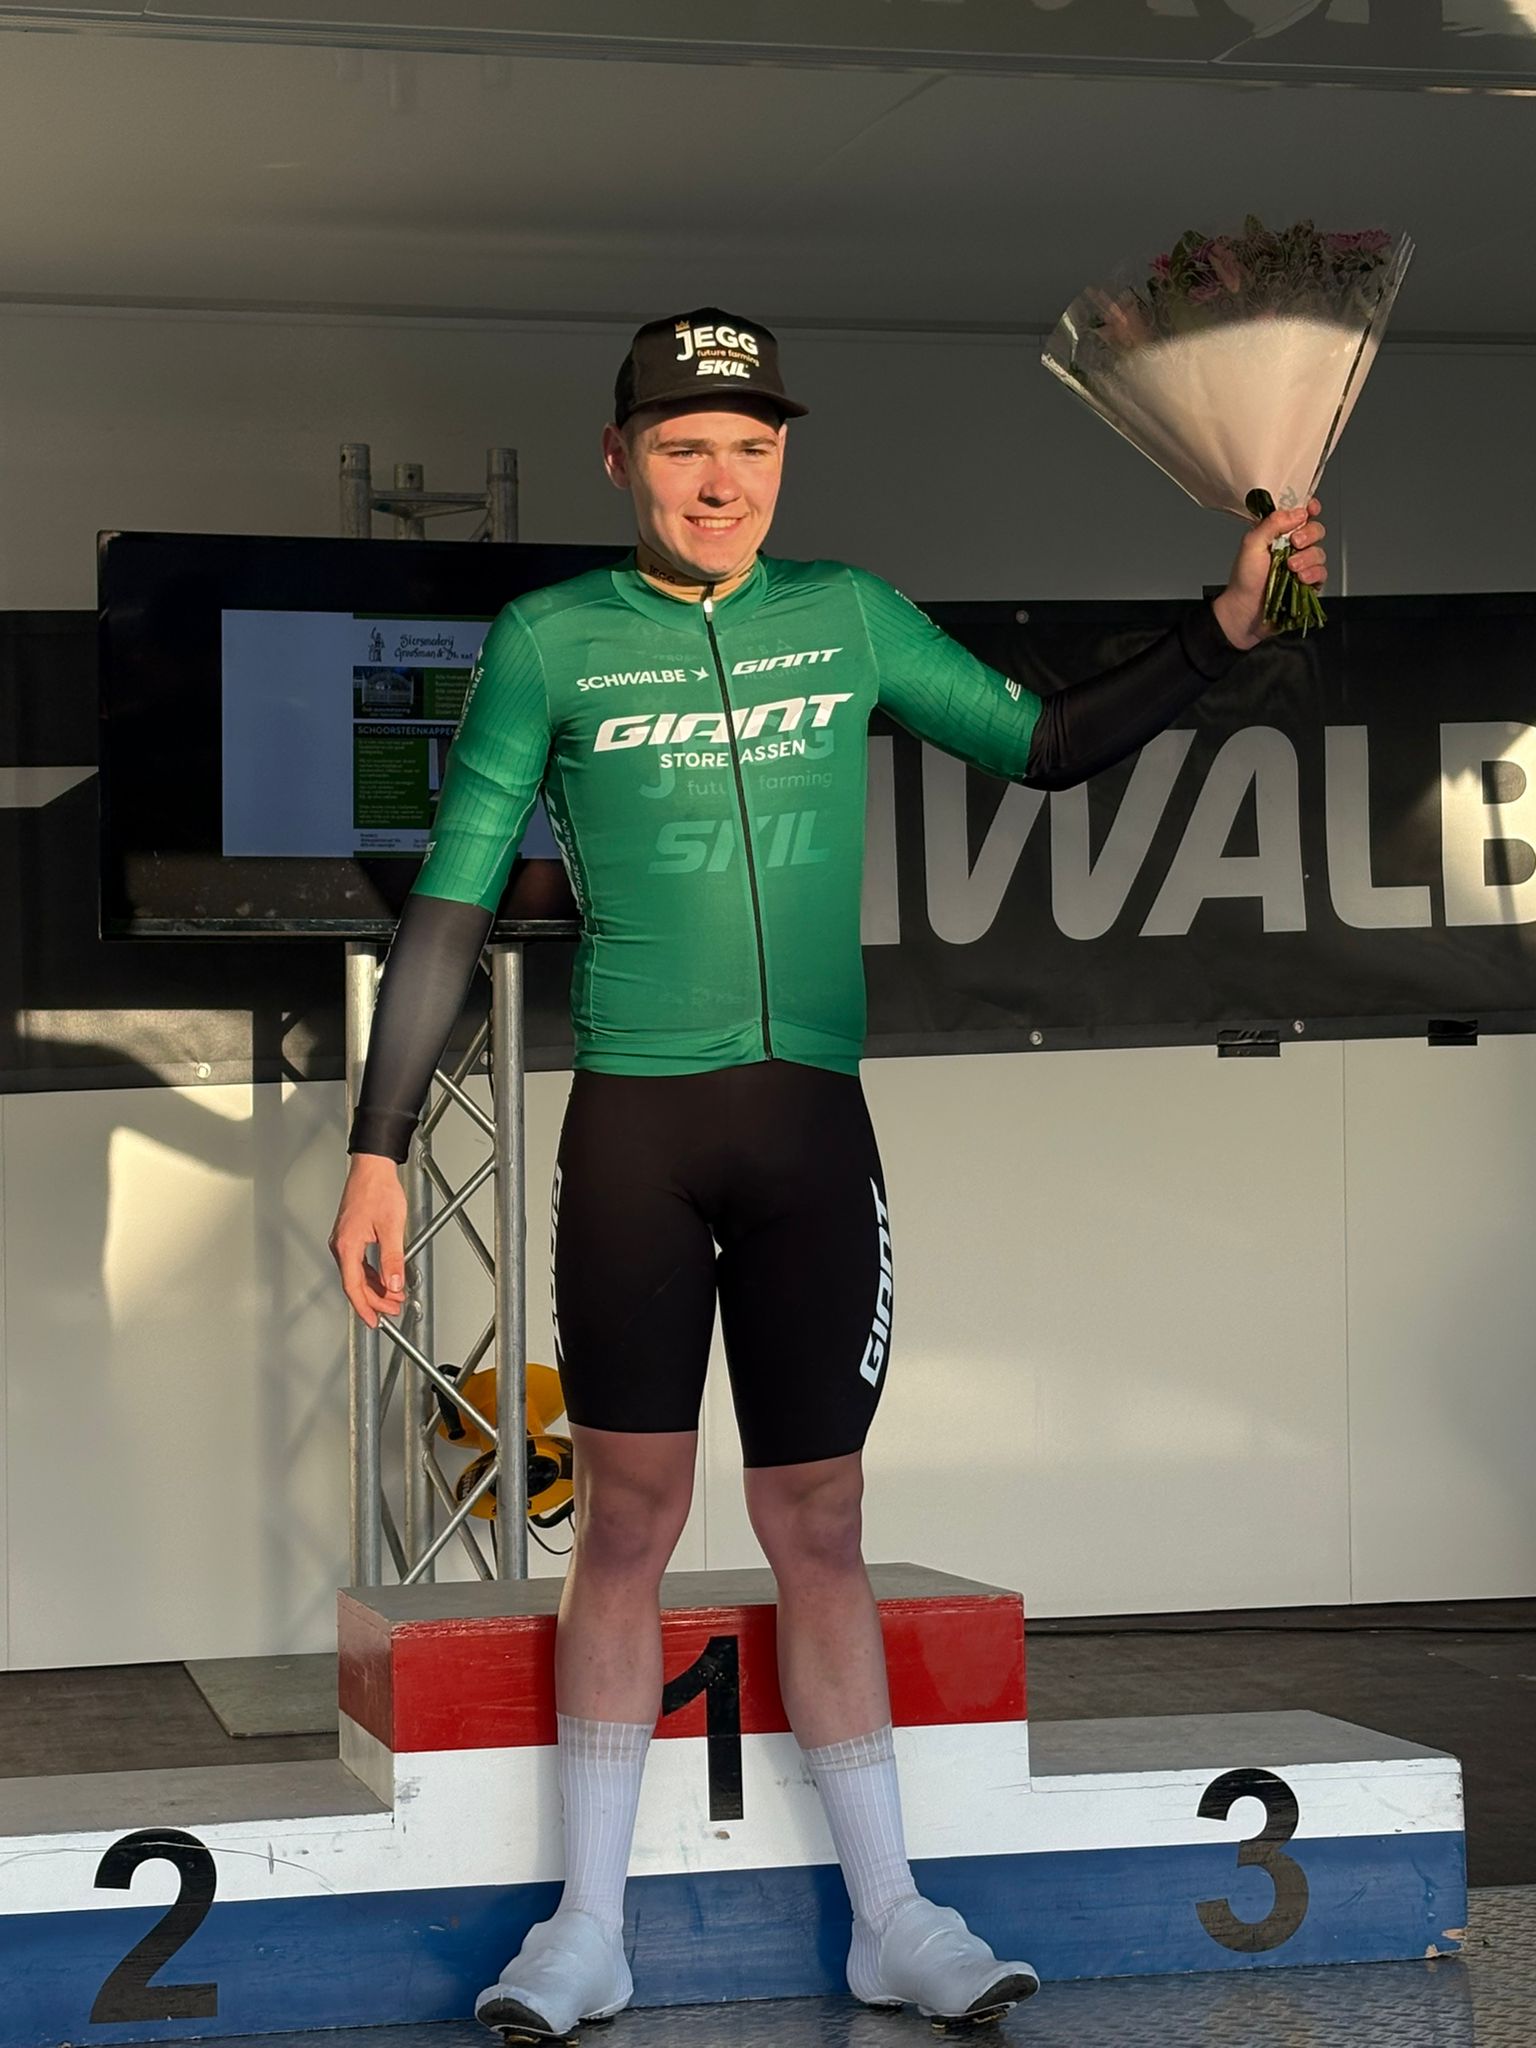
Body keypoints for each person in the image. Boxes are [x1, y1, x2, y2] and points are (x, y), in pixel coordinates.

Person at [329, 306, 1327, 2039]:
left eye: (753, 446)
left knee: (825, 1520)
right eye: (686, 447)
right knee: (624, 1522)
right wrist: (377, 1148)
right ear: (622, 458)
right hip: (636, 1135)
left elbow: (1048, 744)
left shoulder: (847, 614)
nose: (723, 480)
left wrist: (1227, 624)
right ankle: (588, 1929)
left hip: (809, 1133)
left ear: (785, 457)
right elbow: (453, 899)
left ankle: (890, 1914)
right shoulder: (553, 641)